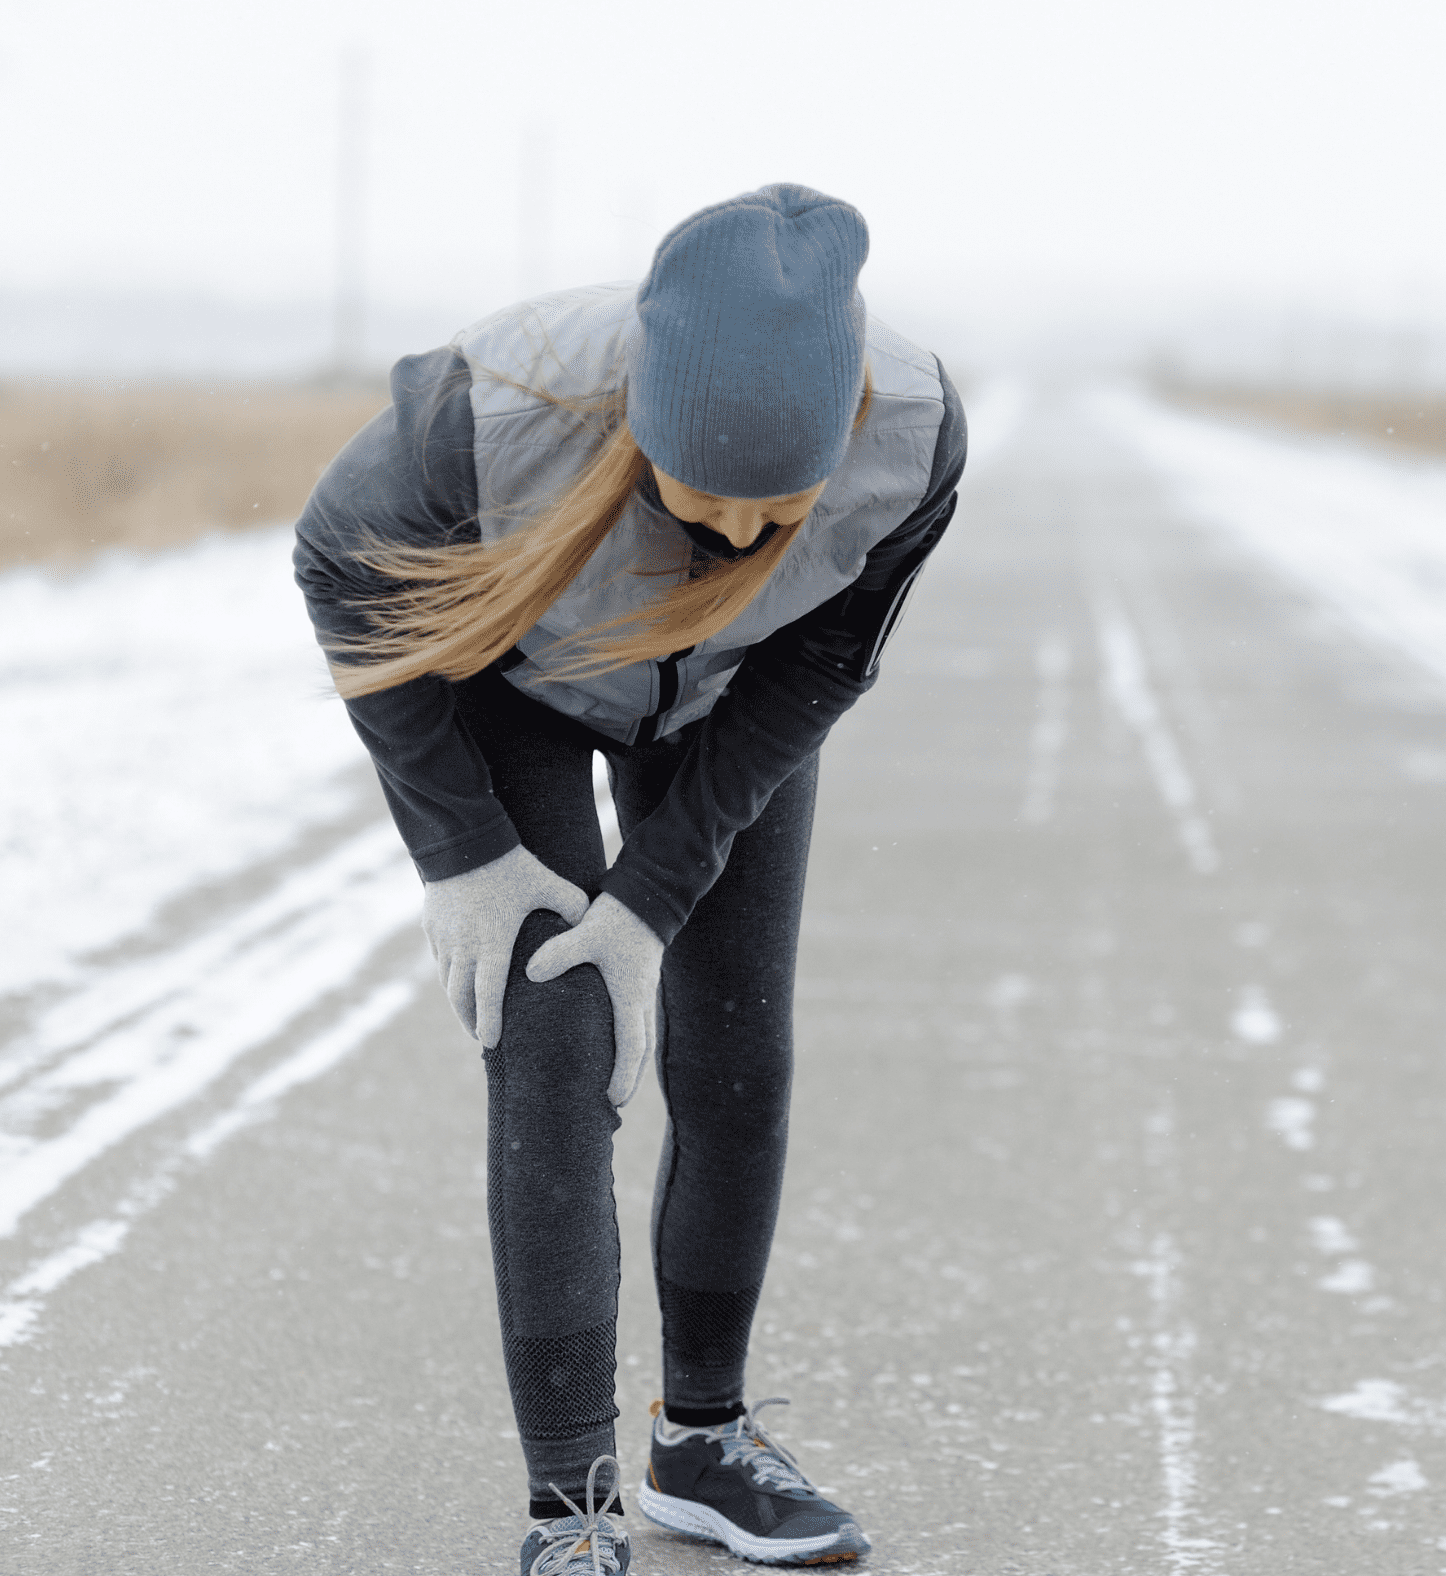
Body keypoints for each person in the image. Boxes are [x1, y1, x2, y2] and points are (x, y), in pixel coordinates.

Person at [294, 182, 965, 1573]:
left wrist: (656, 898)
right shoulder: (490, 411)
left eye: (769, 511)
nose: (729, 537)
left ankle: (702, 1449)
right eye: (696, 494)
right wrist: (465, 856)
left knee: (735, 1057)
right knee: (553, 1046)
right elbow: (340, 566)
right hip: (517, 682)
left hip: (728, 707)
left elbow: (826, 660)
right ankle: (571, 1506)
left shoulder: (917, 441)